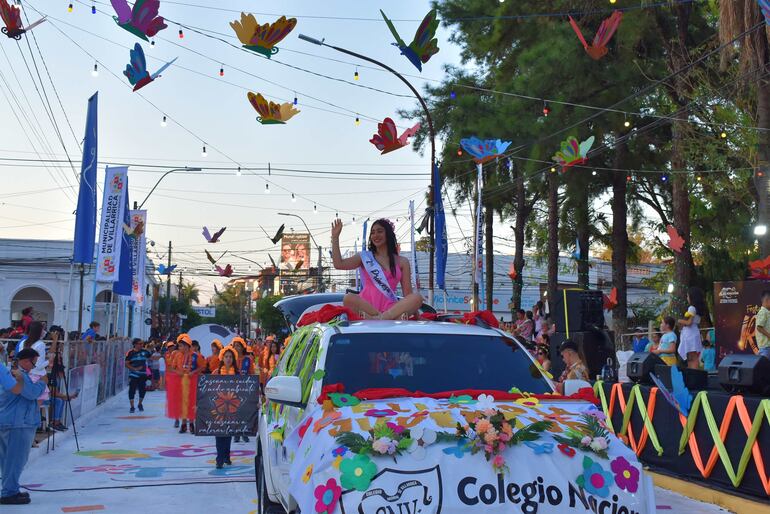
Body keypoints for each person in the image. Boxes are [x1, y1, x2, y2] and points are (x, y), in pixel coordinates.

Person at [331, 218, 422, 320]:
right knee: (348, 298)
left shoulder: (402, 261)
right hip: (366, 307)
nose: (375, 235)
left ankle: (380, 318)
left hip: (391, 309)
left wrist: (417, 315)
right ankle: (386, 318)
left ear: (388, 234)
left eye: (380, 231)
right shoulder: (364, 257)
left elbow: (408, 294)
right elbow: (339, 264)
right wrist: (335, 238)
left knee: (417, 297)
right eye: (373, 233)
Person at [0, 348, 47, 505]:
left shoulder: (11, 372)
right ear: (27, 361)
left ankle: (10, 489)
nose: (35, 366)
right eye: (34, 362)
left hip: (10, 421)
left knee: (8, 459)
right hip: (18, 422)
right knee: (15, 459)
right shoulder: (18, 375)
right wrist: (43, 383)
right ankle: (8, 492)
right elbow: (31, 393)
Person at [167, 334, 201, 434]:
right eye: (179, 346)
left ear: (187, 346)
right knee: (182, 403)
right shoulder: (177, 355)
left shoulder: (195, 356)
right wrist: (179, 373)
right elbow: (172, 368)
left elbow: (201, 367)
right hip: (180, 382)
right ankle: (183, 424)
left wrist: (193, 372)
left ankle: (191, 424)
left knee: (192, 403)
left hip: (192, 382)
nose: (180, 348)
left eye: (181, 346)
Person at [213, 347, 238, 469]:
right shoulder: (216, 372)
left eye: (230, 357)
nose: (228, 359)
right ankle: (219, 459)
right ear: (222, 358)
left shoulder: (238, 374)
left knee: (228, 432)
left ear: (233, 359)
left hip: (233, 406)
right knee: (219, 432)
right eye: (226, 356)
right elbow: (208, 390)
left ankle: (226, 455)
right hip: (219, 406)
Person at [678, 286, 709, 369]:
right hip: (693, 332)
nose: (687, 298)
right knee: (691, 356)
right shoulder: (697, 308)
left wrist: (679, 321)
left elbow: (689, 322)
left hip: (690, 334)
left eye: (688, 296)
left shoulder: (692, 308)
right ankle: (692, 372)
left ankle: (693, 373)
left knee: (692, 357)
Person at [126, 338, 151, 413]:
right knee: (132, 390)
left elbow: (151, 357)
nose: (141, 345)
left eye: (142, 344)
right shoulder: (130, 353)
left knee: (142, 390)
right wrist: (134, 369)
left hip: (143, 374)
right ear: (135, 344)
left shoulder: (145, 351)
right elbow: (126, 363)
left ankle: (140, 404)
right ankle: (132, 406)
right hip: (133, 374)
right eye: (139, 344)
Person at [754, 290, 770, 360]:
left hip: (767, 346)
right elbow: (759, 327)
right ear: (767, 300)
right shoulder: (763, 312)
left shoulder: (767, 312)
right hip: (765, 346)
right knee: (765, 366)